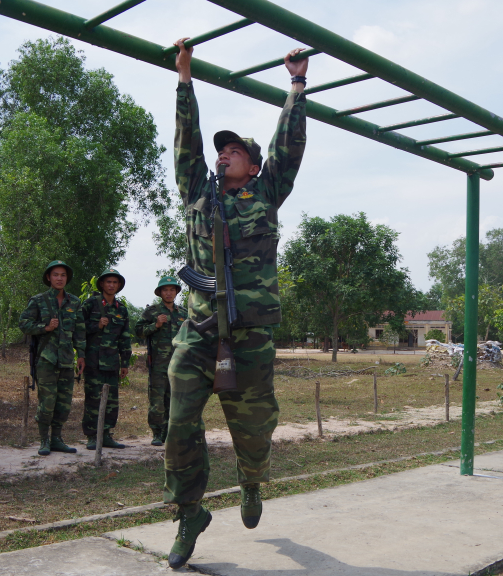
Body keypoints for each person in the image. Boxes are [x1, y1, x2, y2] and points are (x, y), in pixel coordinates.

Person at [164, 38, 308, 568]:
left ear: (253, 164)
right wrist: (185, 79)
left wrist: (296, 86)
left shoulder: (267, 192)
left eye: (235, 151)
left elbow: (289, 146)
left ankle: (251, 483)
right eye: (222, 150)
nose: (224, 154)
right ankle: (189, 514)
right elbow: (186, 142)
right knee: (179, 426)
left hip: (249, 337)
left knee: (253, 433)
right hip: (198, 330)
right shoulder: (198, 193)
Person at [18, 261, 85, 456]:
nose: (59, 278)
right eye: (55, 274)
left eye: (63, 275)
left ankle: (57, 438)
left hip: (66, 360)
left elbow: (80, 331)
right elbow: (23, 323)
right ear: (49, 277)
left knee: (64, 403)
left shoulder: (74, 302)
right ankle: (44, 440)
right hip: (46, 360)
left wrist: (81, 355)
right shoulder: (38, 301)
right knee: (47, 402)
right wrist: (44, 328)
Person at [80, 268, 132, 450]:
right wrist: (96, 325)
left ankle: (107, 434)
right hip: (93, 361)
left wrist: (125, 362)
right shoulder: (90, 304)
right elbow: (78, 330)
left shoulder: (122, 310)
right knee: (93, 399)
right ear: (101, 284)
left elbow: (125, 338)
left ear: (119, 286)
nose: (111, 285)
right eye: (108, 282)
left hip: (112, 363)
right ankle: (92, 436)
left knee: (112, 401)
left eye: (114, 282)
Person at [134, 276, 187, 446]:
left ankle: (173, 432)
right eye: (165, 290)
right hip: (158, 364)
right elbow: (138, 331)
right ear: (160, 293)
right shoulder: (152, 312)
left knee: (176, 400)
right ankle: (157, 433)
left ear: (176, 292)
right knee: (157, 401)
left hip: (179, 365)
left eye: (172, 289)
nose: (169, 293)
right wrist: (155, 325)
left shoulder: (184, 313)